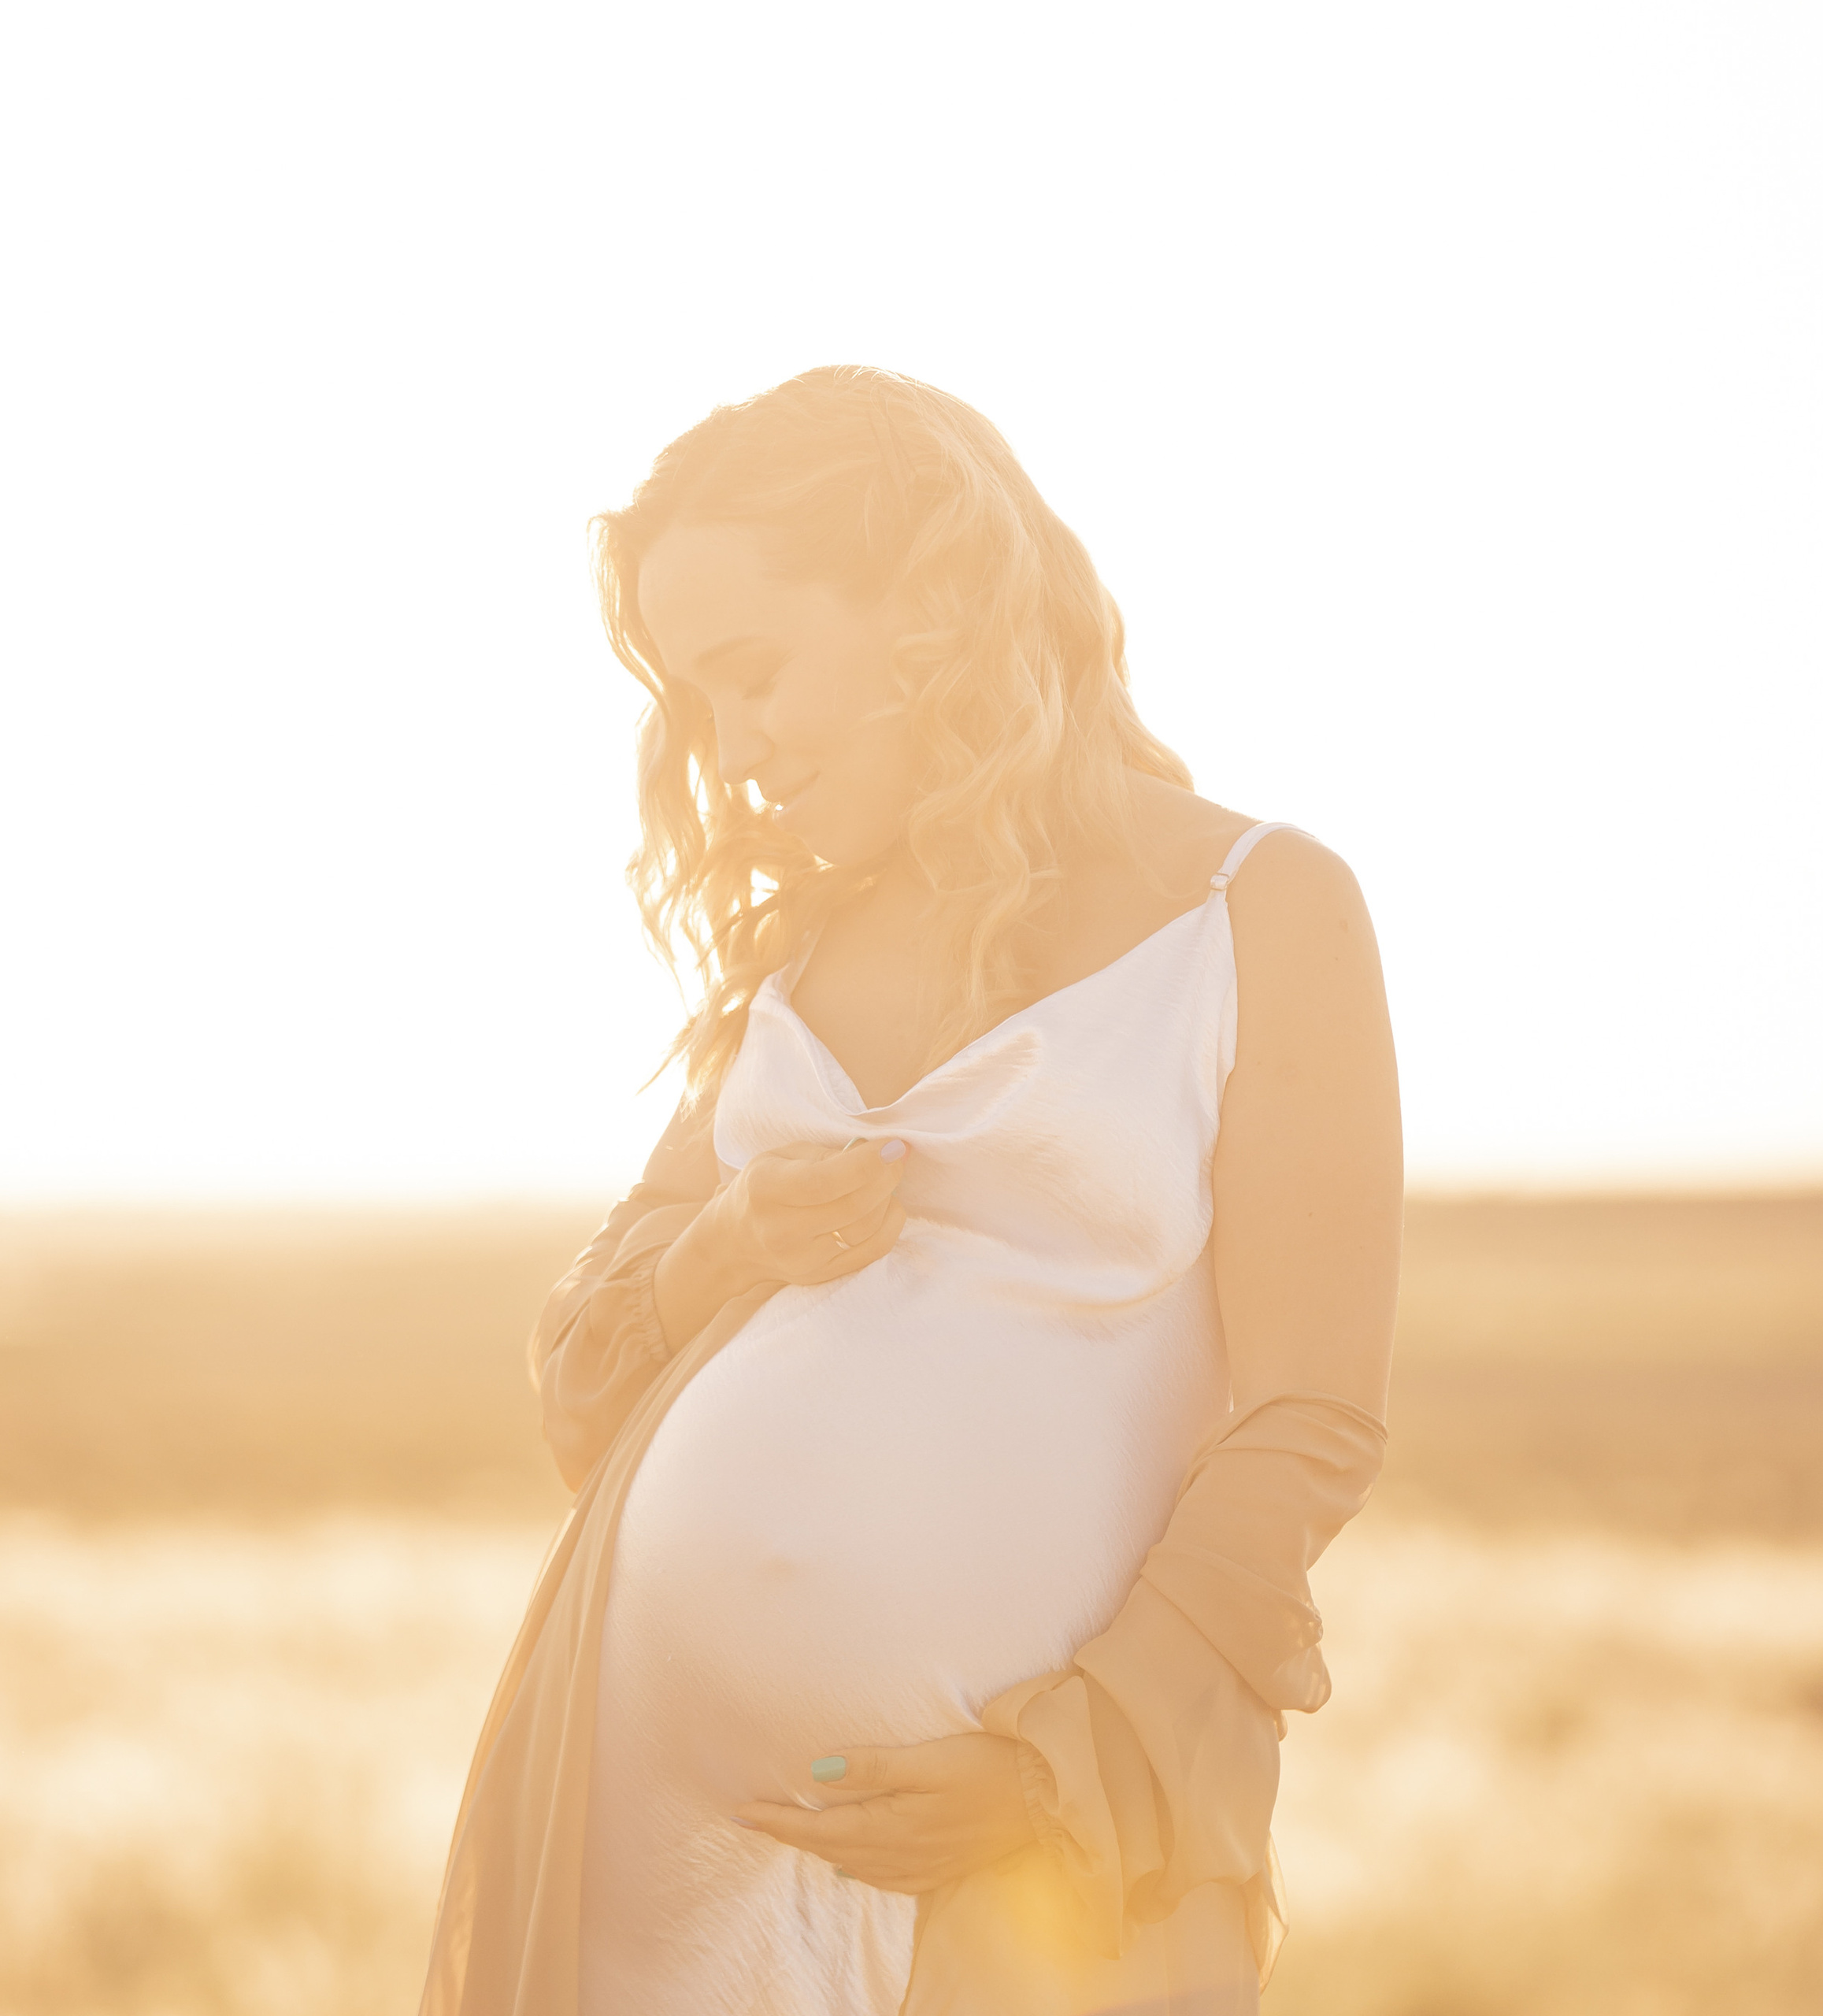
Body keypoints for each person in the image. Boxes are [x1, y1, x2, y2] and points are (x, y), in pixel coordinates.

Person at [420, 366, 1401, 2016]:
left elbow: (1306, 1424)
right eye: (691, 706)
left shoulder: (1262, 908)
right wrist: (728, 1243)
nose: (730, 755)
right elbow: (587, 1387)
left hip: (1008, 1852)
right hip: (647, 1854)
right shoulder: (794, 960)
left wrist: (1060, 1768)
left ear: (934, 611)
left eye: (754, 674)